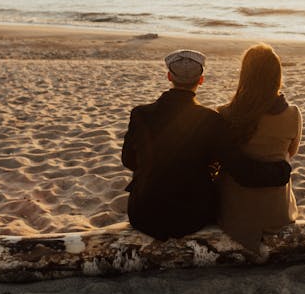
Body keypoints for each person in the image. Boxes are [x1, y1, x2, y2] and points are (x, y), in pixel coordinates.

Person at [121, 49, 292, 241]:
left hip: (142, 215)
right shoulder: (210, 120)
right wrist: (282, 171)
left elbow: (128, 160)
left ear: (169, 76)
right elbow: (242, 171)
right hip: (191, 217)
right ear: (201, 80)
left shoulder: (140, 114)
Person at [217, 43, 302, 254]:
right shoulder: (293, 114)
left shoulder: (225, 114)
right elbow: (291, 152)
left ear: (244, 76)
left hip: (234, 215)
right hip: (278, 213)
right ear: (277, 77)